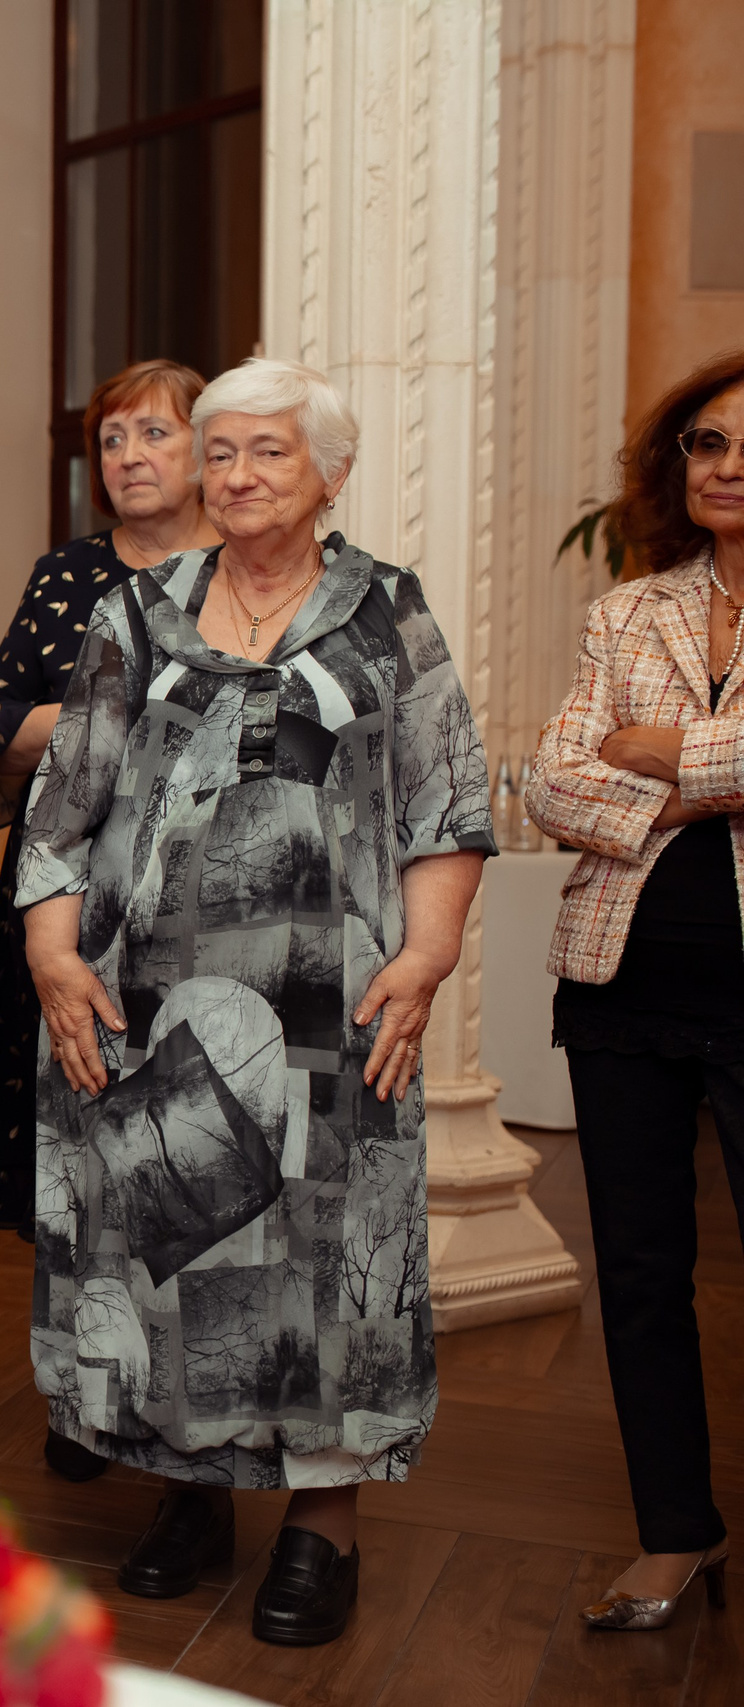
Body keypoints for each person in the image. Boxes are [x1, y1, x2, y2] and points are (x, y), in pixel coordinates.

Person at [18, 357, 491, 1647]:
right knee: (168, 1247)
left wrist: (428, 951)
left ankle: (320, 1525)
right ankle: (184, 1490)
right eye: (217, 452)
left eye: (266, 453)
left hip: (330, 1011)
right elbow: (65, 802)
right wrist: (57, 958)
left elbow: (447, 799)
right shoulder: (138, 607)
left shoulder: (382, 608)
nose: (235, 475)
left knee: (325, 1259)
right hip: (150, 1006)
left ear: (327, 472)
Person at [0, 359, 218, 1485]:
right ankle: (85, 1387)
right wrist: (122, 712)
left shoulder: (243, 577)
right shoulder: (68, 576)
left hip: (201, 915)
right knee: (73, 1162)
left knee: (178, 1159)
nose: (131, 457)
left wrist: (88, 726)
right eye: (112, 439)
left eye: (156, 434)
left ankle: (177, 1405)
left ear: (207, 450)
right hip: (62, 905)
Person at [525, 348, 744, 1631]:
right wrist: (705, 771)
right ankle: (676, 1535)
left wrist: (655, 751)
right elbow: (553, 778)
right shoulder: (628, 610)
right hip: (619, 984)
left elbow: (604, 766)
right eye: (707, 443)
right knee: (643, 1274)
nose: (727, 467)